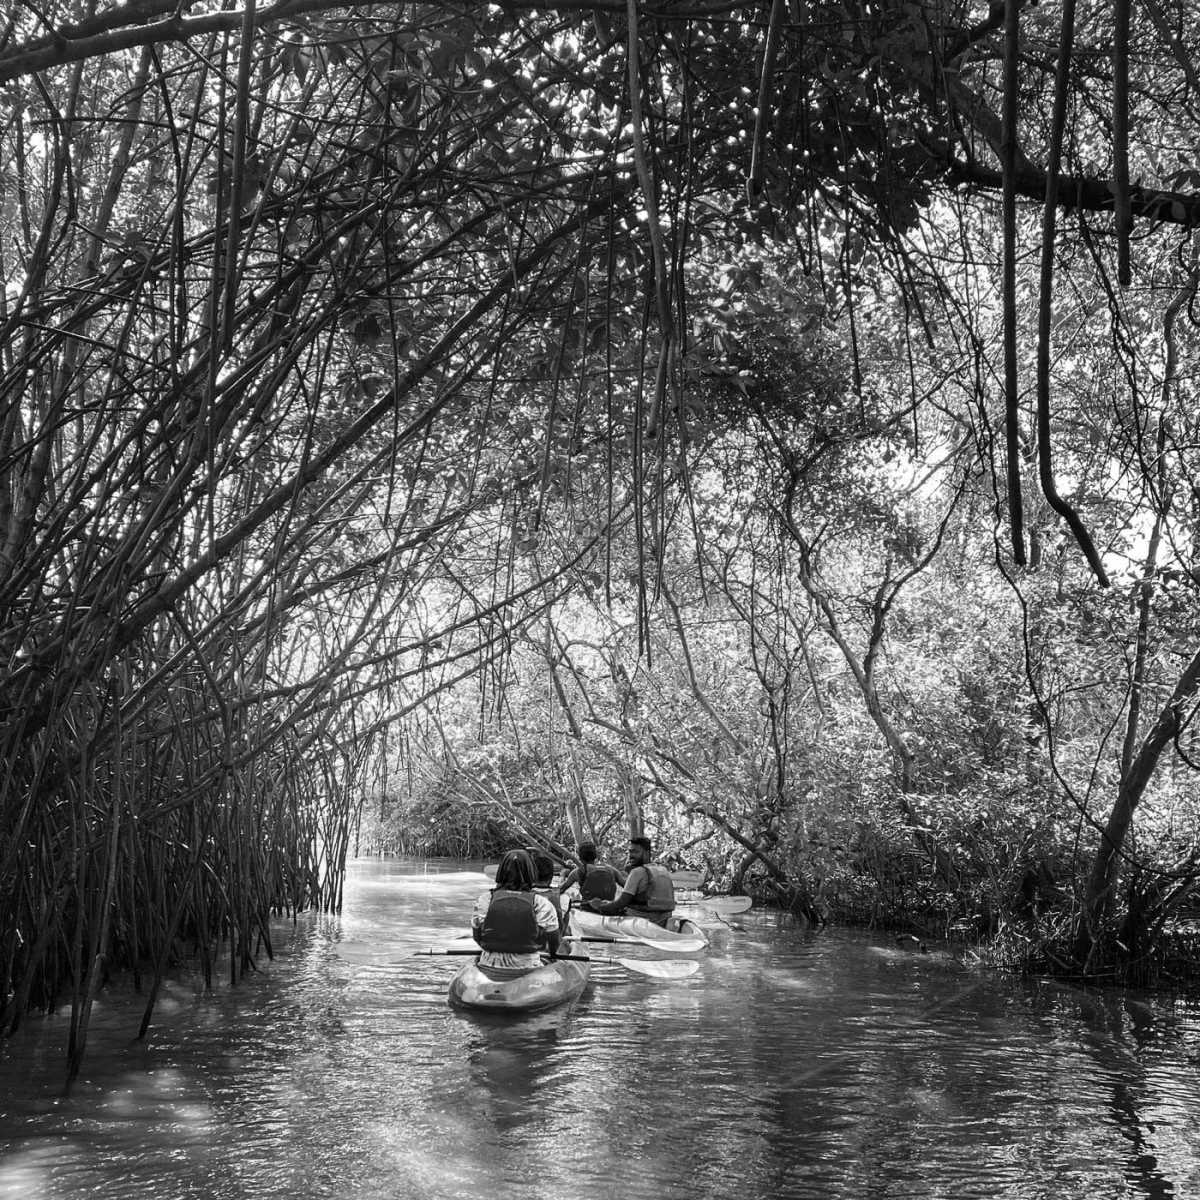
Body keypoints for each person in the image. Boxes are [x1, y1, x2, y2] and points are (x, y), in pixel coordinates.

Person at [472, 848, 562, 970]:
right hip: (528, 965)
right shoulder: (541, 903)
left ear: (501, 872)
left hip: (488, 963)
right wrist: (552, 956)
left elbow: (477, 937)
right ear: (531, 873)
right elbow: (554, 943)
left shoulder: (485, 899)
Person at [582, 836, 675, 927]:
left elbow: (621, 903)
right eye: (630, 852)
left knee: (591, 907)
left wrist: (599, 906)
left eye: (636, 852)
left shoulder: (637, 872)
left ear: (647, 853)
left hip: (642, 920)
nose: (631, 855)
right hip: (663, 919)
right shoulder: (662, 870)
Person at [559, 842, 624, 904]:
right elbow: (625, 886)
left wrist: (562, 876)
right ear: (595, 855)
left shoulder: (577, 872)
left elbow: (560, 890)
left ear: (580, 857)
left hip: (588, 907)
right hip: (609, 907)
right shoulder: (611, 869)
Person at [528, 846, 568, 933]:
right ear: (551, 877)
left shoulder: (524, 895)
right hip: (553, 938)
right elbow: (561, 928)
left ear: (531, 875)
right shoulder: (563, 898)